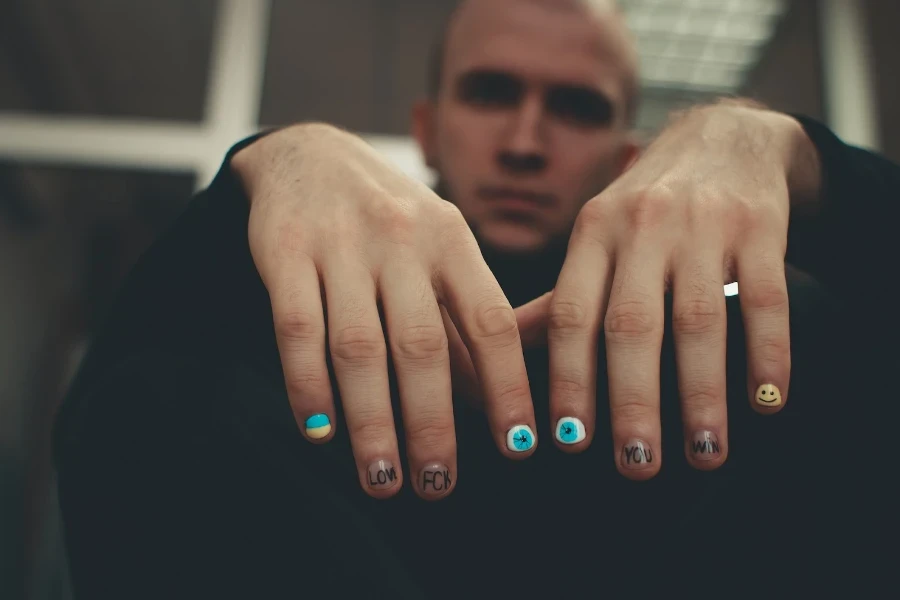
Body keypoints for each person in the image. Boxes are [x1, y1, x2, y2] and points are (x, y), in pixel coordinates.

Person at [54, 0, 896, 597]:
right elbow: (118, 435)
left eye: (574, 106)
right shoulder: (291, 350)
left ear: (624, 157)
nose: (525, 142)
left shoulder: (751, 353)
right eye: (491, 92)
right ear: (427, 127)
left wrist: (800, 160)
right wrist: (266, 167)